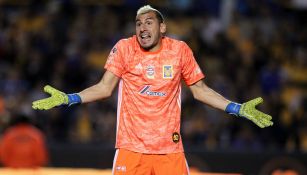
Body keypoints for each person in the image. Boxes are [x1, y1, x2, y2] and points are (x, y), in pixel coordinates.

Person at [32, 5, 273, 175]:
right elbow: (104, 88)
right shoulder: (125, 48)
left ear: (163, 28)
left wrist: (237, 108)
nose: (142, 27)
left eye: (149, 22)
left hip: (169, 150)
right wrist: (69, 98)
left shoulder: (179, 51)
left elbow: (201, 90)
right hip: (130, 150)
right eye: (138, 23)